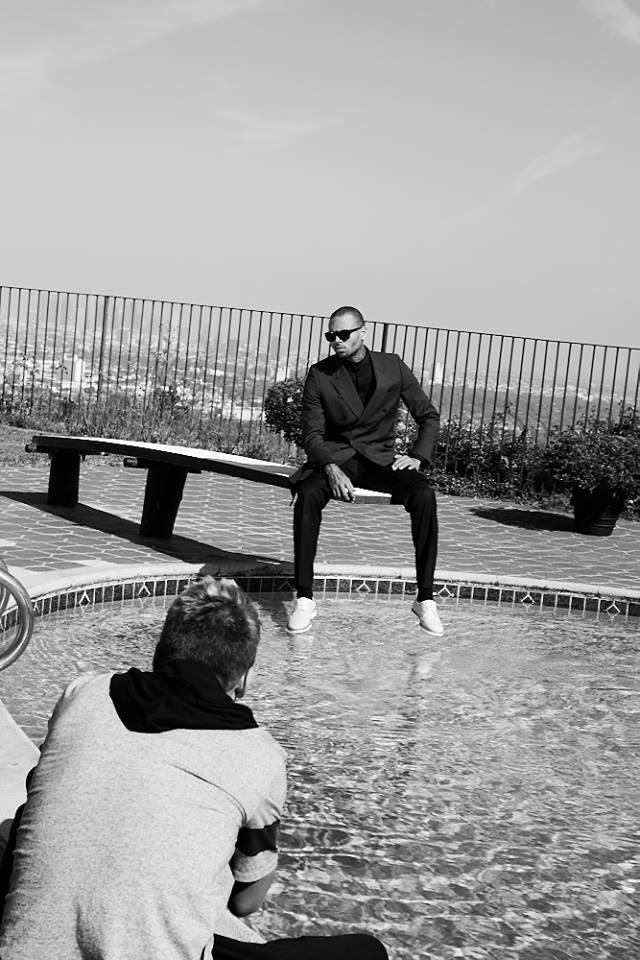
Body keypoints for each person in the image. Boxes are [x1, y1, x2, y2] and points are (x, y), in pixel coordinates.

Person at [0, 577, 388, 960]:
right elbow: (246, 901)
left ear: (160, 651)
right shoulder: (260, 756)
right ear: (245, 679)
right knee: (367, 952)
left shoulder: (83, 692)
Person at [288, 306, 443, 637]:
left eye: (343, 334)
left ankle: (425, 598)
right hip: (337, 458)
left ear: (362, 332)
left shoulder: (392, 366)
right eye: (331, 335)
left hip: (379, 459)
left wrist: (418, 456)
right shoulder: (320, 374)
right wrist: (329, 467)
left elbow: (428, 416)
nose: (337, 341)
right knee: (308, 494)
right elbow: (312, 434)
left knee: (424, 496)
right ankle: (304, 597)